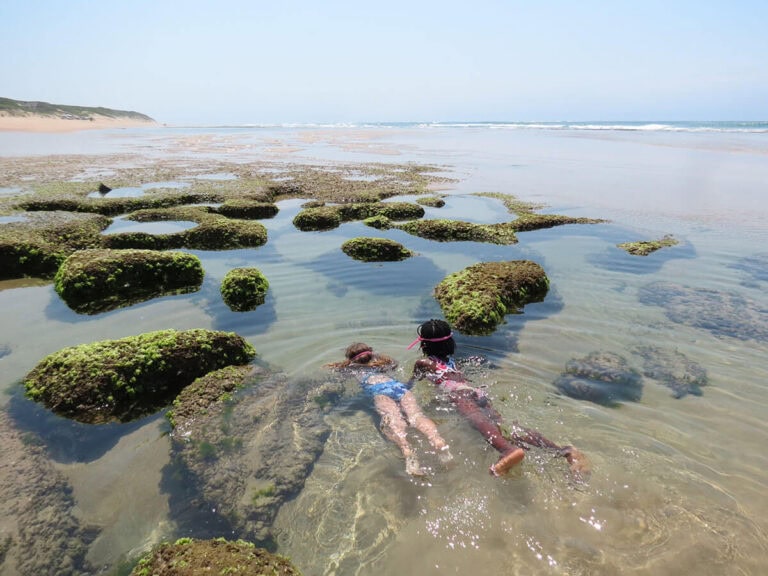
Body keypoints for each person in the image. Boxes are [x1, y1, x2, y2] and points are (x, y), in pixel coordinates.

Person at [408, 319, 590, 478]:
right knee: (504, 427)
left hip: (460, 395)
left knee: (481, 425)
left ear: (423, 345)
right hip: (475, 392)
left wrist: (405, 390)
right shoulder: (451, 361)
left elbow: (413, 383)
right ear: (450, 342)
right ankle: (564, 451)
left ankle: (508, 451)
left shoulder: (424, 363)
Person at [327, 342, 452, 476]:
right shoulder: (381, 363)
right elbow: (394, 364)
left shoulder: (352, 368)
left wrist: (345, 364)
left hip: (378, 391)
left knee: (394, 421)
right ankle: (437, 441)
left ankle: (407, 450)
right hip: (399, 387)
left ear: (351, 359)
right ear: (371, 353)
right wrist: (376, 356)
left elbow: (337, 373)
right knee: (417, 417)